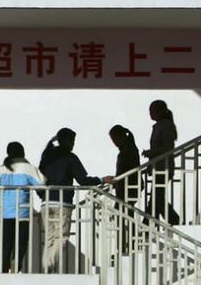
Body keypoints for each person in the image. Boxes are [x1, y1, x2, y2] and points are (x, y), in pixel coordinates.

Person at [38, 128, 112, 272]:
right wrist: (101, 179)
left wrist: (42, 195)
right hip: (63, 202)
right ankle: (48, 265)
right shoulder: (70, 158)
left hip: (46, 202)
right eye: (72, 141)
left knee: (49, 239)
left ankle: (47, 269)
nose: (73, 144)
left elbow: (39, 179)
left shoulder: (47, 156)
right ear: (66, 141)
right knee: (62, 238)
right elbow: (83, 180)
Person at [0, 142, 44, 273]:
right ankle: (16, 264)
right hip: (22, 212)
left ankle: (2, 270)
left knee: (6, 245)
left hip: (5, 213)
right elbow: (41, 185)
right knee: (21, 243)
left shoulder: (1, 169)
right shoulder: (28, 168)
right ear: (23, 152)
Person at [142, 100, 181, 225]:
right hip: (159, 167)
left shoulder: (165, 126)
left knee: (157, 198)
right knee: (155, 199)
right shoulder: (160, 125)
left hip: (163, 167)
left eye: (152, 111)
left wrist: (151, 152)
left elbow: (168, 148)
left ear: (160, 111)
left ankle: (174, 221)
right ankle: (148, 226)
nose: (150, 113)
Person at [109, 125, 141, 254]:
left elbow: (128, 170)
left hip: (128, 188)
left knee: (123, 216)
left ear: (121, 136)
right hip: (125, 188)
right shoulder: (128, 148)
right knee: (125, 216)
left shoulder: (129, 149)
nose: (114, 142)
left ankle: (126, 246)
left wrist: (118, 180)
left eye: (115, 139)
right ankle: (127, 245)